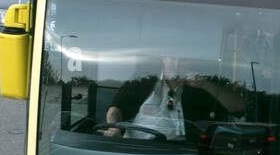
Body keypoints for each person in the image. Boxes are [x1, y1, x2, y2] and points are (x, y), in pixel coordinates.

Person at [103, 56, 244, 139]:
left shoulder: (199, 87)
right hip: (137, 150)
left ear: (189, 61)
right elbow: (115, 109)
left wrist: (206, 85)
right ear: (164, 58)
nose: (175, 64)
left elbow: (239, 107)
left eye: (181, 59)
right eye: (171, 58)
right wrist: (114, 128)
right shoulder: (144, 80)